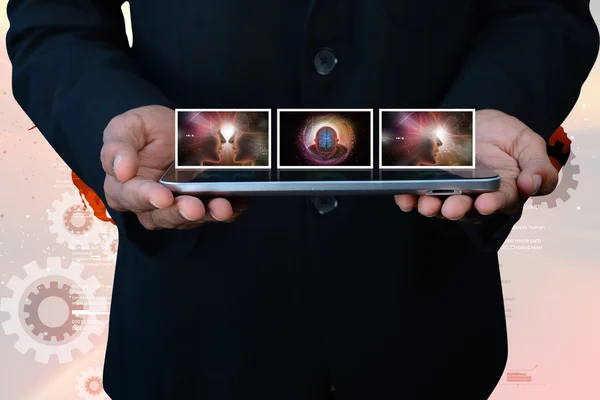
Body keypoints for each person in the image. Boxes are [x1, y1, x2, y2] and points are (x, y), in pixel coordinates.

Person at [6, 0, 598, 398]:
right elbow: (57, 20)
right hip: (193, 330)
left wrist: (484, 113)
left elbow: (543, 10)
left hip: (427, 317)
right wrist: (112, 123)